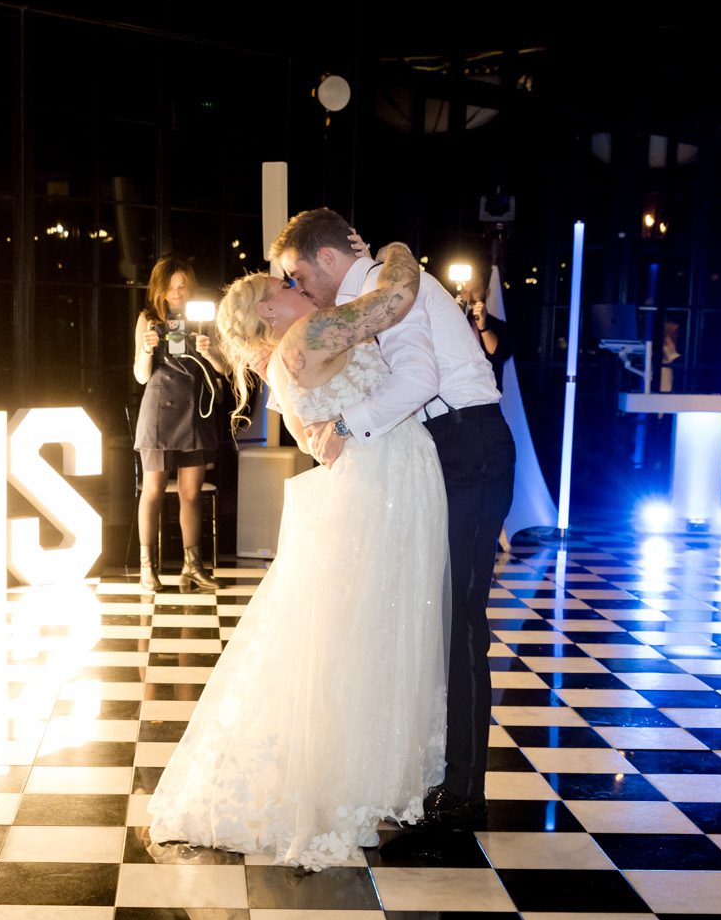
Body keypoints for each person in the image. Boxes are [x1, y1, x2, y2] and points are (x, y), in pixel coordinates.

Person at [146, 242, 447, 868]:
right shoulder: (306, 335)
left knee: (362, 635)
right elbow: (394, 299)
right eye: (283, 286)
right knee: (371, 633)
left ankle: (361, 776)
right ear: (267, 310)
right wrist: (396, 250)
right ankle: (348, 784)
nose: (297, 287)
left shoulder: (284, 356)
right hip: (381, 486)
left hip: (380, 481)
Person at [280, 209, 516, 830]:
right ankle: (437, 775)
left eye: (299, 275)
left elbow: (418, 378)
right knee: (433, 614)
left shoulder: (388, 287)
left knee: (459, 617)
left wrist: (344, 425)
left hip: (468, 444)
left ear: (327, 258)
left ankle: (463, 794)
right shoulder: (374, 291)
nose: (302, 289)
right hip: (445, 448)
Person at [132, 258, 225, 592]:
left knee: (191, 493)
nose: (177, 292)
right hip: (159, 412)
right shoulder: (148, 319)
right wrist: (146, 350)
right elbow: (140, 376)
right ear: (159, 288)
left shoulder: (203, 319)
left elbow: (224, 370)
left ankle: (192, 566)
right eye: (171, 286)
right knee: (153, 490)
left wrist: (210, 352)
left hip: (195, 412)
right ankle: (147, 567)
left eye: (183, 285)